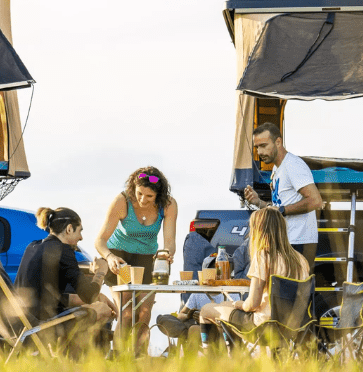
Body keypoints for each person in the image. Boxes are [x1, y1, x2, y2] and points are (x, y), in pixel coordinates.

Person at [95, 166, 178, 354]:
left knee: (144, 313)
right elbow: (99, 240)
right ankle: (118, 358)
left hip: (148, 259)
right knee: (126, 311)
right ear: (134, 188)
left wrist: (165, 253)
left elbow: (170, 241)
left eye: (149, 196)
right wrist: (109, 257)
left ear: (159, 194)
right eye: (140, 194)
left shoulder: (169, 205)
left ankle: (139, 358)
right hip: (121, 260)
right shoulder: (122, 201)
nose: (142, 200)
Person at [198, 207, 310, 347]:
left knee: (206, 310)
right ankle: (234, 359)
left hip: (263, 327)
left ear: (259, 231)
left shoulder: (264, 256)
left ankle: (212, 361)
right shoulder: (300, 260)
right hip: (292, 328)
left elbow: (253, 304)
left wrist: (242, 305)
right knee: (225, 306)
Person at [16, 207, 117, 351]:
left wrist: (97, 296)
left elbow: (45, 294)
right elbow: (89, 295)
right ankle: (82, 363)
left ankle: (65, 359)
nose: (81, 238)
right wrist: (100, 272)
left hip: (20, 323)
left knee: (94, 304)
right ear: (69, 229)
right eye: (79, 231)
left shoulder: (33, 246)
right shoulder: (63, 251)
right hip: (39, 328)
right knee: (102, 310)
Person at [243, 122, 322, 270]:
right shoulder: (277, 168)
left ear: (278, 142)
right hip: (286, 241)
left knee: (293, 292)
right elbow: (278, 207)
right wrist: (258, 202)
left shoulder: (293, 165)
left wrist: (282, 211)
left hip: (299, 241)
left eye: (264, 145)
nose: (259, 152)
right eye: (257, 147)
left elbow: (315, 201)